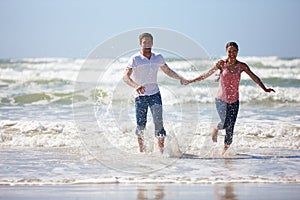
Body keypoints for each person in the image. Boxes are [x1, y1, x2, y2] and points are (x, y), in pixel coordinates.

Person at [187, 42, 275, 154]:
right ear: (226, 52)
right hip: (221, 100)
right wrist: (191, 81)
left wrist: (265, 89)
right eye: (229, 51)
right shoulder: (221, 64)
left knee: (230, 130)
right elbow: (207, 74)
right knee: (224, 122)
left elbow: (255, 77)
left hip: (234, 101)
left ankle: (223, 154)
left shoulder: (242, 66)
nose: (232, 53)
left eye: (234, 51)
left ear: (237, 51)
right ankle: (215, 128)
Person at [123, 33, 188, 153]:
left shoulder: (158, 57)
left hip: (154, 94)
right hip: (140, 96)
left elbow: (168, 71)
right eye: (144, 42)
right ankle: (141, 151)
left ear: (152, 43)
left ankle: (161, 152)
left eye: (149, 42)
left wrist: (180, 77)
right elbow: (125, 77)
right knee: (141, 125)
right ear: (140, 44)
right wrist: (136, 86)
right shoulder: (135, 59)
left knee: (159, 123)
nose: (147, 45)